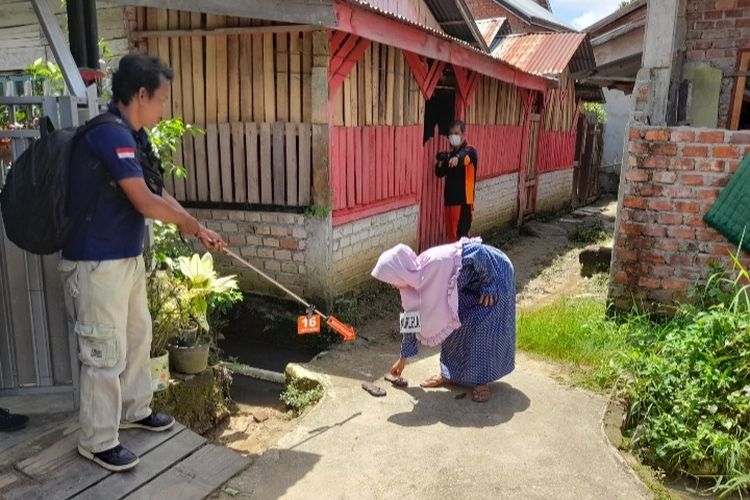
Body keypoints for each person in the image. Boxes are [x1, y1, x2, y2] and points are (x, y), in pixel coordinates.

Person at [59, 54, 226, 472]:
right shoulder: (108, 135)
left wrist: (196, 227)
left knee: (137, 337)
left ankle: (134, 410)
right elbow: (144, 201)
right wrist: (186, 222)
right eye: (162, 99)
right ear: (140, 95)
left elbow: (154, 190)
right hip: (97, 264)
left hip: (126, 259)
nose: (164, 108)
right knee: (103, 351)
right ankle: (97, 440)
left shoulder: (132, 136)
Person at [371, 238, 515, 403]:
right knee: (454, 326)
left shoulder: (436, 263)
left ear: (400, 272)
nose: (392, 286)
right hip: (468, 284)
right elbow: (412, 320)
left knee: (482, 328)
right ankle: (451, 374)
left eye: (391, 280)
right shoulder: (410, 288)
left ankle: (481, 381)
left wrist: (490, 285)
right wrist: (402, 360)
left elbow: (478, 251)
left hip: (495, 272)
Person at [435, 121, 478, 242]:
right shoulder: (450, 154)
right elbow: (439, 173)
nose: (453, 136)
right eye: (451, 133)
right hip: (449, 201)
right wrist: (440, 161)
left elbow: (464, 158)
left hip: (463, 202)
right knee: (452, 239)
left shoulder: (470, 151)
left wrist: (456, 158)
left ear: (463, 134)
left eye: (456, 133)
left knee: (462, 240)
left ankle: (466, 261)